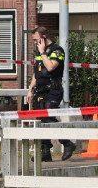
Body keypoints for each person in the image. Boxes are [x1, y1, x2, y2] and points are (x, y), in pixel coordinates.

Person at [28, 27, 73, 162]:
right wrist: (30, 89)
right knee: (40, 120)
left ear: (44, 37)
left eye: (36, 39)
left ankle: (67, 143)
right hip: (40, 90)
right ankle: (45, 151)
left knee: (48, 118)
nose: (35, 43)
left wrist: (43, 53)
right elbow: (37, 73)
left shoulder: (57, 50)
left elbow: (50, 67)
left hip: (53, 90)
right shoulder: (39, 52)